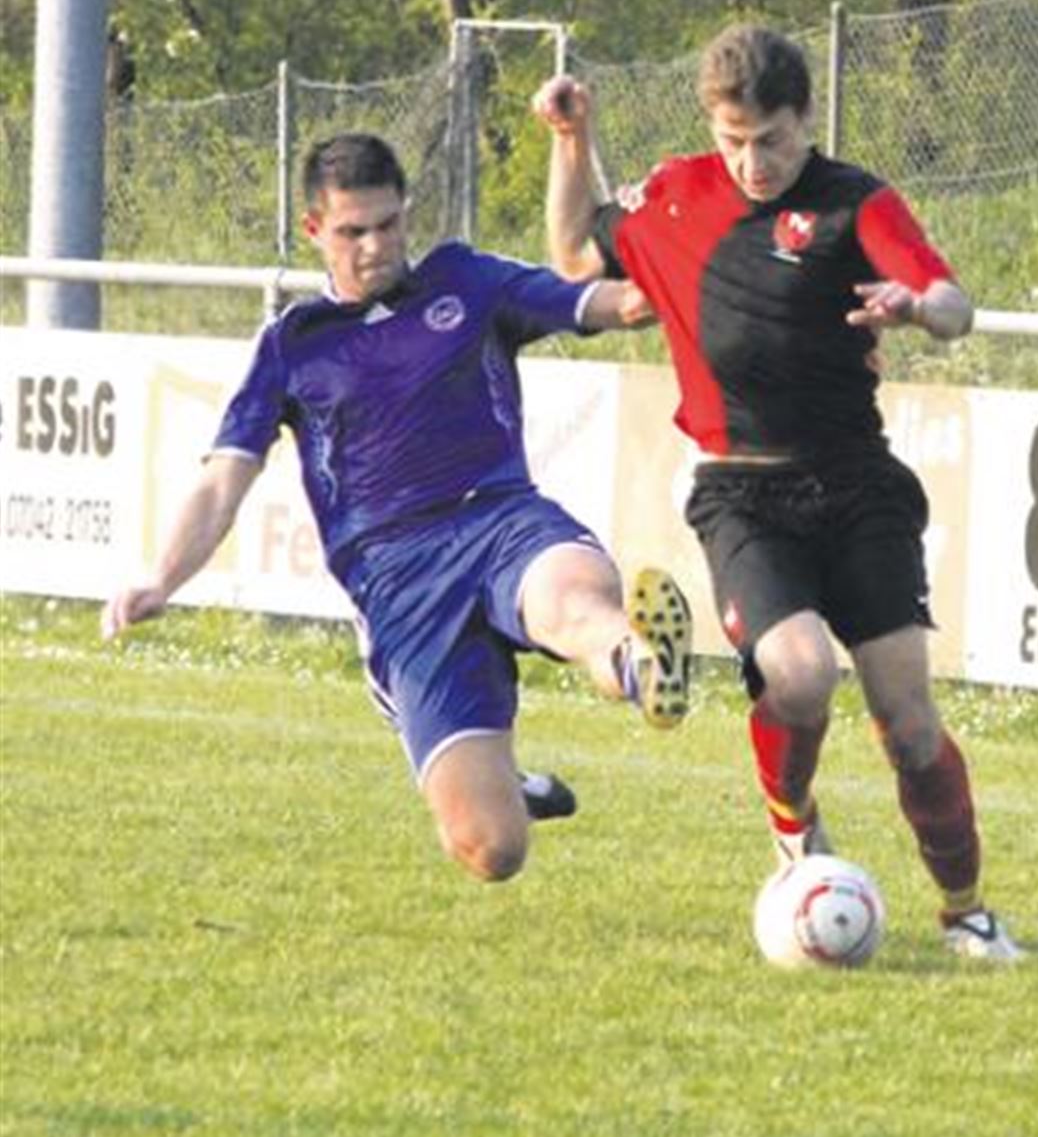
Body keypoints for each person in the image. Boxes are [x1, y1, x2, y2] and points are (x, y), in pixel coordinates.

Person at [534, 24, 1021, 960]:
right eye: (734, 140)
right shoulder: (676, 196)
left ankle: (965, 908)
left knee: (908, 724)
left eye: (773, 140)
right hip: (743, 494)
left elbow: (955, 305)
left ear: (806, 120)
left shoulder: (855, 203)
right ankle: (794, 826)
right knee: (799, 674)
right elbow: (571, 257)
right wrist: (572, 141)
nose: (754, 162)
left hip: (859, 487)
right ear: (713, 127)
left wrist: (915, 306)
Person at [102, 132, 692, 884]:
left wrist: (671, 241)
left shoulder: (466, 281)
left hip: (500, 520)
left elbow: (616, 302)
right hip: (399, 583)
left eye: (389, 223)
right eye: (354, 231)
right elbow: (223, 481)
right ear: (315, 230)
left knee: (575, 600)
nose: (377, 245)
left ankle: (641, 662)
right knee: (493, 851)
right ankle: (508, 784)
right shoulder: (293, 345)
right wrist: (159, 579)